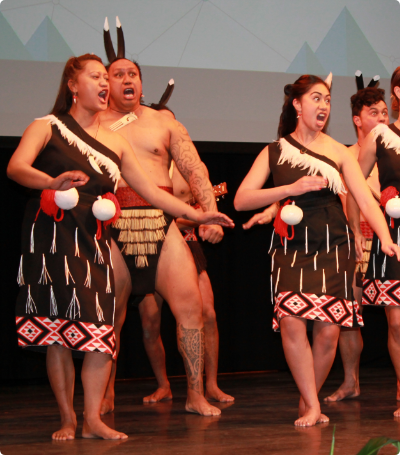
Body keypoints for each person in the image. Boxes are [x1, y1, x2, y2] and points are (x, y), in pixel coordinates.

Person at [7, 54, 233, 441]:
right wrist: (52, 181)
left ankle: (178, 397)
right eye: (104, 75)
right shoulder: (58, 127)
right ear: (78, 85)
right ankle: (83, 411)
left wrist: (201, 214)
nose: (114, 82)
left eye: (127, 75)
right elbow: (17, 167)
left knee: (174, 312)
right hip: (81, 235)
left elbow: (168, 181)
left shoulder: (143, 130)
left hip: (129, 231)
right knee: (85, 326)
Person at [234, 74, 400, 427]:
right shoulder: (275, 151)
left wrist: (385, 237)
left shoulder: (338, 151)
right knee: (292, 320)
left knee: (328, 329)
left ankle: (307, 399)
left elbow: (365, 201)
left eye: (327, 99)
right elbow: (242, 198)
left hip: (333, 241)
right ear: (296, 104)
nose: (324, 105)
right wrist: (289, 188)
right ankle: (312, 405)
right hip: (291, 243)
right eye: (315, 98)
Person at [99, 18, 228, 417]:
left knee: (191, 308)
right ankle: (104, 394)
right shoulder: (93, 124)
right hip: (115, 223)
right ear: (105, 83)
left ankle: (194, 393)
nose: (127, 79)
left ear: (141, 81)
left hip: (161, 223)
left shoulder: (163, 122)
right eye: (118, 74)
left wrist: (208, 214)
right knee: (111, 317)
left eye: (133, 73)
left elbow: (195, 170)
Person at [325, 73, 389, 403]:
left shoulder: (393, 152)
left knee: (396, 318)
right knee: (350, 317)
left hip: (389, 240)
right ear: (357, 119)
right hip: (355, 240)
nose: (381, 118)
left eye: (384, 112)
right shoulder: (345, 155)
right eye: (373, 113)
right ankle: (351, 381)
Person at [348, 66, 400, 417]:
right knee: (397, 322)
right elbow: (354, 185)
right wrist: (355, 230)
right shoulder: (380, 134)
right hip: (393, 234)